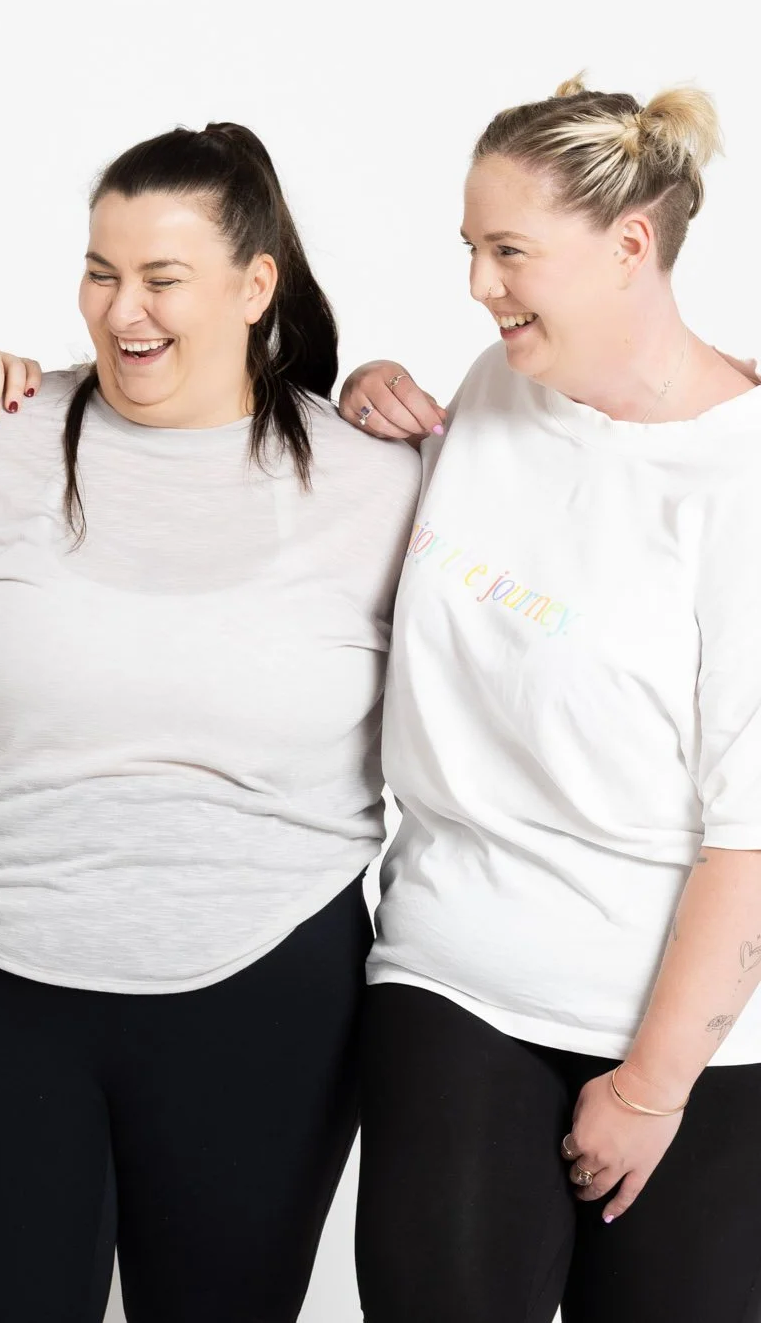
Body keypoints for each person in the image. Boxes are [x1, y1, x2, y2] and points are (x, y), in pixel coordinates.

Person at [0, 123, 420, 1322]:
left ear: (254, 285)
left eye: (161, 278)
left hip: (264, 989)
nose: (122, 310)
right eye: (101, 272)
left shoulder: (377, 479)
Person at [330, 78, 761, 1323]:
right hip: (450, 973)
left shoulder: (736, 481)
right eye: (467, 248)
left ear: (630, 244)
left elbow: (750, 834)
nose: (477, 284)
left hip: (688, 1033)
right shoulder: (495, 384)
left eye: (507, 251)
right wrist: (372, 407)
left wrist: (646, 1087)